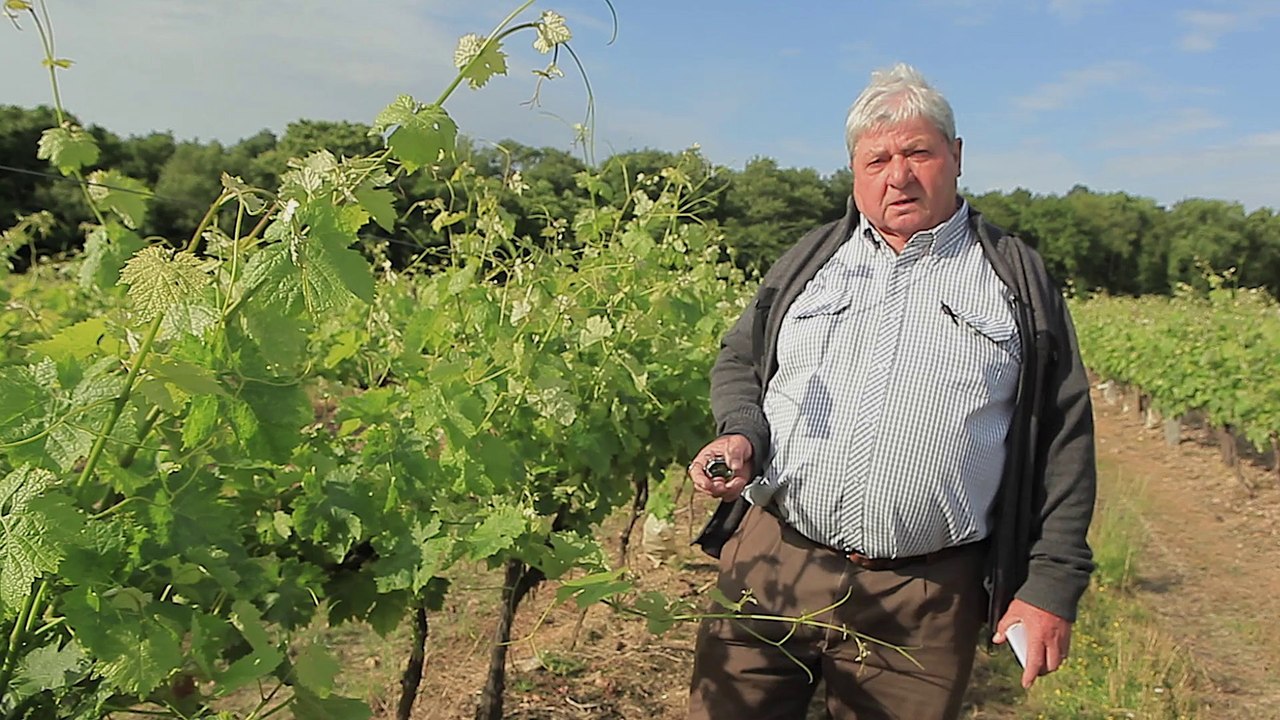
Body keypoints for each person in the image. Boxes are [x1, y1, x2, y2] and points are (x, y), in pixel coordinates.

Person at [684, 62, 1096, 720]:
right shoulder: (811, 261)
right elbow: (742, 359)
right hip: (772, 562)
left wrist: (1052, 583)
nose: (897, 175)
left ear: (956, 157)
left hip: (924, 597)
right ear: (854, 170)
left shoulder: (1013, 278)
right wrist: (741, 433)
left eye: (917, 153)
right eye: (876, 159)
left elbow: (1064, 439)